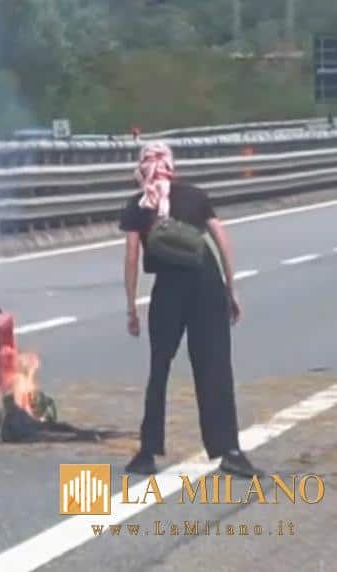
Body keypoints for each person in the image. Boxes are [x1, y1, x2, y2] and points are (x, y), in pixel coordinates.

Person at [120, 142, 263, 478]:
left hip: (168, 290)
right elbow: (220, 237)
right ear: (173, 166)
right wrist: (231, 287)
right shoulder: (196, 196)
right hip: (207, 284)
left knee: (160, 368)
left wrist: (131, 307)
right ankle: (229, 450)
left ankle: (147, 451)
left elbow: (131, 258)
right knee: (214, 366)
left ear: (141, 169)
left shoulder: (137, 206)